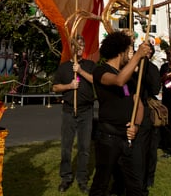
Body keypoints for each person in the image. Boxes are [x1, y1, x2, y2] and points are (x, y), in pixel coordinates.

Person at [89, 31, 151, 196]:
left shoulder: (129, 76)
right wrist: (137, 56)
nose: (129, 54)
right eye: (128, 50)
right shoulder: (100, 71)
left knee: (134, 185)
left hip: (127, 138)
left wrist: (136, 126)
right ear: (120, 51)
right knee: (101, 183)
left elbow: (139, 105)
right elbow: (118, 81)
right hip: (108, 138)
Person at [52, 35, 96, 194]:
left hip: (86, 111)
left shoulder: (90, 65)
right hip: (69, 111)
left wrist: (80, 71)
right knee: (66, 147)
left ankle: (82, 179)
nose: (80, 49)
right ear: (72, 48)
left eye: (82, 46)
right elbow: (55, 87)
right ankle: (66, 177)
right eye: (78, 46)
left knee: (84, 147)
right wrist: (69, 86)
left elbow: (95, 81)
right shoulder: (63, 67)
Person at [136, 44, 162, 194]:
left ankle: (148, 177)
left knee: (150, 148)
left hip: (146, 110)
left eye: (147, 49)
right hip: (131, 109)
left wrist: (145, 67)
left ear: (150, 52)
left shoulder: (152, 68)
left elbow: (155, 89)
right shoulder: (133, 64)